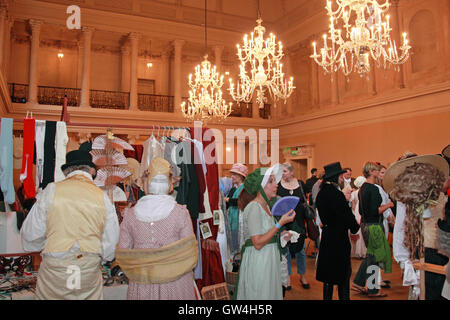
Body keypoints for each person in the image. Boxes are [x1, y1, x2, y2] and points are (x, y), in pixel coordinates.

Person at [21, 149, 120, 299]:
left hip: (55, 267)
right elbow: (111, 244)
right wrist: (103, 256)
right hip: (87, 266)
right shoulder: (103, 197)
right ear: (92, 170)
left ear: (66, 172)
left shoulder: (51, 190)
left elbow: (30, 235)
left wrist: (49, 245)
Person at [115, 158, 198, 300]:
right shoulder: (180, 213)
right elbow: (190, 252)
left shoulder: (130, 215)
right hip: (175, 283)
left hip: (142, 283)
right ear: (170, 183)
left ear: (146, 182)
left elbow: (123, 253)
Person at [385, 153, 449, 300]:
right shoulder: (407, 199)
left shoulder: (439, 195)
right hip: (424, 253)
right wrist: (403, 260)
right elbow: (401, 228)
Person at [234, 164, 296, 300]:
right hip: (259, 261)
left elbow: (266, 234)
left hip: (268, 259)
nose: (276, 184)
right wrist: (280, 224)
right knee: (260, 295)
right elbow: (257, 243)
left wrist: (281, 237)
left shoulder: (267, 206)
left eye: (275, 181)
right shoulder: (254, 207)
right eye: (271, 181)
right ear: (260, 186)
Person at [315, 162, 360, 300]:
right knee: (343, 275)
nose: (342, 178)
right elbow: (346, 215)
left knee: (328, 277)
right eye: (340, 176)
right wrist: (355, 227)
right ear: (335, 177)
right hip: (339, 238)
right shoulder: (336, 194)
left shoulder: (322, 193)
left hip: (328, 236)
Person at [352, 161, 393, 298]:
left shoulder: (363, 188)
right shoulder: (373, 189)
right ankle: (373, 289)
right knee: (375, 257)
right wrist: (388, 205)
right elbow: (376, 210)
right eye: (376, 170)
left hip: (365, 225)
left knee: (371, 255)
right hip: (374, 225)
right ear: (371, 172)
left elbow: (362, 210)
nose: (378, 172)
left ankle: (358, 282)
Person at [277, 162, 310, 289]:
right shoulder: (278, 185)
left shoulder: (301, 184)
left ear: (291, 172)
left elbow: (306, 200)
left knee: (300, 250)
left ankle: (302, 275)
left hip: (299, 220)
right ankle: (288, 277)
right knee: (286, 250)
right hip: (285, 221)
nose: (283, 174)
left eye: (285, 171)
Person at [226, 163, 248, 254]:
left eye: (235, 174)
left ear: (241, 176)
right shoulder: (233, 189)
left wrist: (228, 200)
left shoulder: (245, 189)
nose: (232, 177)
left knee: (237, 242)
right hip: (231, 218)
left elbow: (240, 201)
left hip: (239, 219)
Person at [350, 176, 367, 259]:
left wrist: (354, 213)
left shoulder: (354, 193)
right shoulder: (365, 192)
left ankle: (358, 252)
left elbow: (353, 206)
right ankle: (364, 251)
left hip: (357, 211)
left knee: (358, 230)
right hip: (363, 210)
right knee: (363, 230)